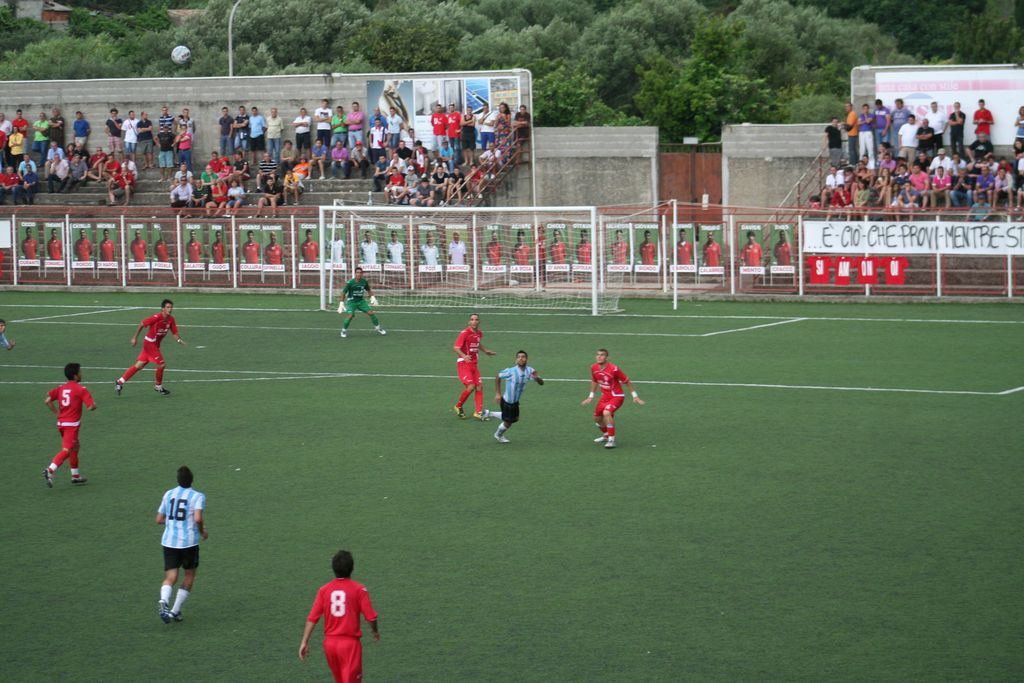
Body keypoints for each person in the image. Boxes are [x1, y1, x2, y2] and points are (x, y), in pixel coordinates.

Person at [299, 549, 380, 683]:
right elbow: (371, 617)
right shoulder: (359, 589)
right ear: (352, 568)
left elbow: (312, 618)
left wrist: (304, 641)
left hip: (330, 645)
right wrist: (375, 631)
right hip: (349, 646)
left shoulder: (324, 590)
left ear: (333, 568)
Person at [156, 465, 208, 624]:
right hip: (188, 543)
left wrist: (173, 522)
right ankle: (175, 610)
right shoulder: (197, 496)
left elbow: (159, 519)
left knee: (171, 577)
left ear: (177, 480)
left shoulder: (169, 494)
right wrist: (202, 531)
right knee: (189, 575)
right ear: (192, 480)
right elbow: (198, 518)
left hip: (169, 541)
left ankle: (164, 601)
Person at [115, 299, 185, 396]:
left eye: (171, 307)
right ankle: (158, 386)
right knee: (161, 364)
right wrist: (134, 338)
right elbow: (142, 323)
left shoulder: (171, 319)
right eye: (168, 307)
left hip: (154, 345)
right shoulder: (156, 317)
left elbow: (174, 333)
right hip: (150, 343)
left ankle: (120, 382)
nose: (170, 309)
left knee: (139, 365)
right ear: (163, 309)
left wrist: (179, 340)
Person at [42, 362, 96, 486]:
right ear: (75, 375)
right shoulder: (81, 389)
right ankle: (49, 471)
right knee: (67, 450)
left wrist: (57, 413)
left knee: (75, 446)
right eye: (80, 372)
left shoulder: (61, 388)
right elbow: (90, 407)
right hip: (71, 426)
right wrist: (94, 405)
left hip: (61, 424)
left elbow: (47, 400)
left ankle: (75, 475)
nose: (81, 374)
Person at [580, 348, 644, 449]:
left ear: (606, 357)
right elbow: (594, 380)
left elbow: (626, 381)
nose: (599, 357)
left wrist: (635, 396)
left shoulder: (614, 369)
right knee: (597, 419)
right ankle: (606, 435)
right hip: (604, 397)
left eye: (602, 355)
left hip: (617, 396)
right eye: (597, 354)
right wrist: (590, 396)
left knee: (606, 413)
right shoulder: (593, 367)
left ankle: (611, 440)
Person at [483, 350, 545, 443]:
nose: (521, 358)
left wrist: (537, 379)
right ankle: (498, 435)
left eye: (523, 357)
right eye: (518, 357)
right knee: (508, 423)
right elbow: (498, 376)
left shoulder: (530, 371)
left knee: (514, 418)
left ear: (526, 359)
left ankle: (489, 413)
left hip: (515, 401)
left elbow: (541, 383)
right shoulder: (511, 371)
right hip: (508, 402)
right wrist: (498, 393)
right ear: (516, 360)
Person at [452, 313, 496, 420]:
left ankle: (478, 412)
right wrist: (464, 356)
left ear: (479, 322)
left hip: (474, 364)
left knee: (479, 386)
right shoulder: (464, 333)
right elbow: (456, 347)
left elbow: (477, 343)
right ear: (469, 322)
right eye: (472, 319)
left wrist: (486, 351)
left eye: (476, 319)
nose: (474, 321)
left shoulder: (479, 333)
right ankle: (458, 406)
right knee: (471, 386)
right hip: (463, 363)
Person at [338, 267, 386, 338]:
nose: (359, 274)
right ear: (355, 273)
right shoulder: (350, 283)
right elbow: (343, 293)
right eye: (357, 272)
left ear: (362, 274)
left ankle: (378, 328)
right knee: (350, 315)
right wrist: (341, 303)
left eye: (360, 273)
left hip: (361, 301)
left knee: (371, 313)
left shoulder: (364, 282)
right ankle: (343, 330)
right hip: (351, 302)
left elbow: (368, 290)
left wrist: (372, 297)